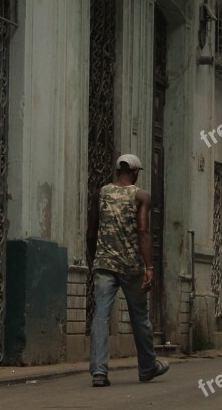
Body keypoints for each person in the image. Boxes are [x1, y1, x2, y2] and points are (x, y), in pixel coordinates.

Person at [86, 154, 169, 387]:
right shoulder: (141, 196)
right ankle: (147, 367)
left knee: (101, 316)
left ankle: (99, 372)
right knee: (139, 318)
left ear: (117, 170)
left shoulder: (99, 194)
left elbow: (91, 233)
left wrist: (95, 259)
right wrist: (149, 267)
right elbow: (143, 232)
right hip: (131, 266)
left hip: (104, 264)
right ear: (135, 173)